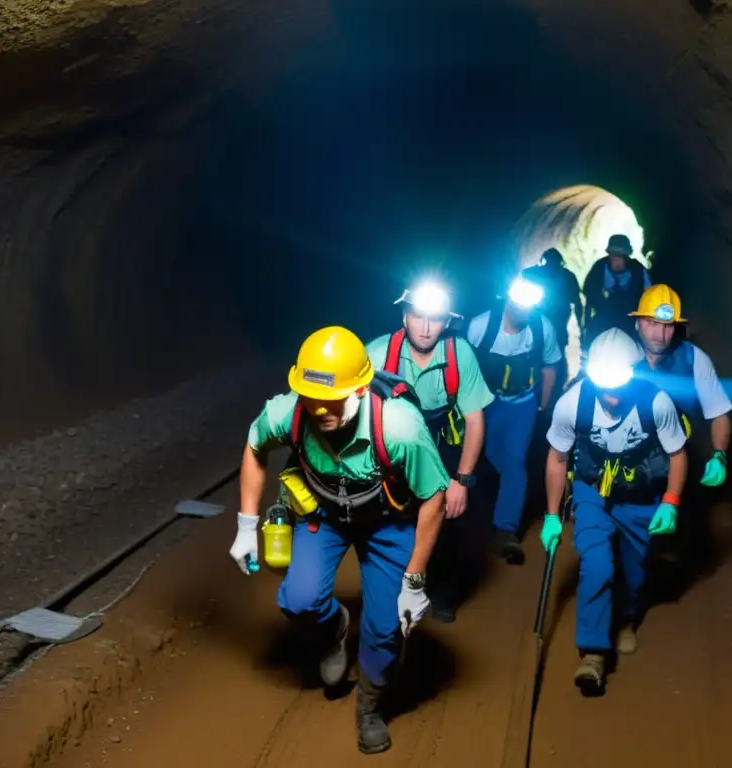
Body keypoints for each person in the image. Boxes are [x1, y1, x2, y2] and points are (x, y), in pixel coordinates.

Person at [228, 325, 450, 754]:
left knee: (387, 628)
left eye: (334, 400)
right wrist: (245, 526)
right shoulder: (290, 411)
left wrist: (416, 580)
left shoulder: (400, 428)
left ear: (363, 388)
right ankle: (334, 629)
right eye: (313, 400)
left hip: (390, 522)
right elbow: (255, 445)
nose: (321, 411)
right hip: (325, 514)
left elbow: (434, 499)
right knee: (298, 601)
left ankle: (370, 707)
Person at [540, 328, 687, 692]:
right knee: (597, 566)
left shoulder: (656, 402)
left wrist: (670, 501)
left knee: (635, 572)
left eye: (617, 385)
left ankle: (626, 619)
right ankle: (593, 653)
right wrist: (551, 514)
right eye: (603, 385)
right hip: (593, 495)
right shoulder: (572, 403)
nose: (610, 395)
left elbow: (677, 454)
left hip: (640, 497)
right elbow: (558, 458)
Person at [366, 281, 495, 623]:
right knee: (389, 519)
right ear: (404, 315)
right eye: (418, 316)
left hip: (439, 443)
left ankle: (442, 592)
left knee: (449, 519)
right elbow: (351, 410)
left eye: (435, 319)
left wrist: (462, 481)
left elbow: (474, 419)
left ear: (447, 322)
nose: (425, 328)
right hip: (392, 443)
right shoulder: (378, 353)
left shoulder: (458, 353)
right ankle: (389, 587)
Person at [468, 275, 562, 565]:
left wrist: (542, 405)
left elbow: (549, 367)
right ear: (507, 299)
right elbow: (461, 364)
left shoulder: (540, 327)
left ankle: (505, 530)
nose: (523, 309)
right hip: (483, 402)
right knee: (486, 457)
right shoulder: (481, 326)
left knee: (514, 463)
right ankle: (474, 519)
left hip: (522, 402)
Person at [629, 284, 732, 486]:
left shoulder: (694, 359)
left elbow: (718, 412)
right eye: (651, 323)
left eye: (667, 326)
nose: (660, 335)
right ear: (637, 323)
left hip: (679, 458)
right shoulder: (618, 353)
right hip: (627, 459)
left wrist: (719, 455)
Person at [581, 234, 651, 348]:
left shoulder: (638, 271)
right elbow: (589, 294)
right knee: (592, 337)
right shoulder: (599, 268)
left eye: (621, 257)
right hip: (604, 317)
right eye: (614, 256)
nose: (617, 261)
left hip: (631, 319)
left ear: (627, 257)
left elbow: (649, 297)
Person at [522, 247, 583, 358]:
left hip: (554, 317)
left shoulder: (565, 276)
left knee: (552, 346)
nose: (552, 266)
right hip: (547, 317)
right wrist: (580, 324)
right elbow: (577, 302)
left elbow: (576, 302)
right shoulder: (566, 275)